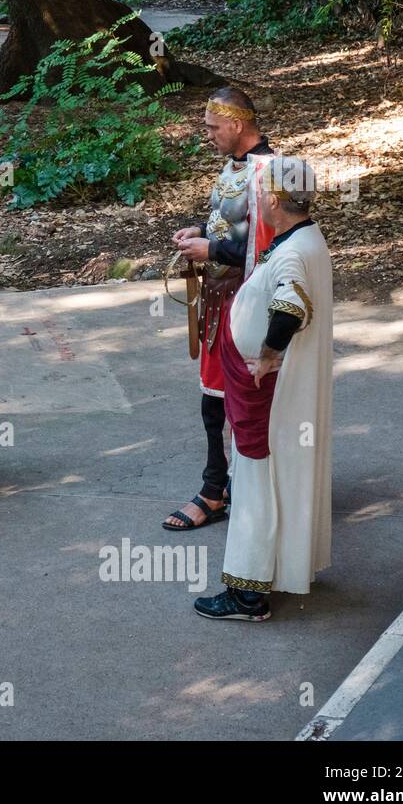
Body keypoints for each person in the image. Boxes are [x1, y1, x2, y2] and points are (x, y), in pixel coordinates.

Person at [194, 157, 333, 620]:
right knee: (273, 477)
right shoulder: (305, 238)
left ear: (273, 200)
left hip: (264, 389)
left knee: (254, 481)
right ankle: (285, 567)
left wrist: (270, 353)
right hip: (264, 385)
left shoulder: (293, 250)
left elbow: (289, 309)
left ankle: (247, 593)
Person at [163, 88, 275, 532]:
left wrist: (210, 247)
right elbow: (231, 224)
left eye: (213, 126)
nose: (207, 133)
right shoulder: (233, 167)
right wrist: (201, 230)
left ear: (237, 124)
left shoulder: (270, 173)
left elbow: (268, 247)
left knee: (245, 402)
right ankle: (220, 487)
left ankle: (223, 491)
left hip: (247, 305)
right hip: (219, 300)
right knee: (214, 401)